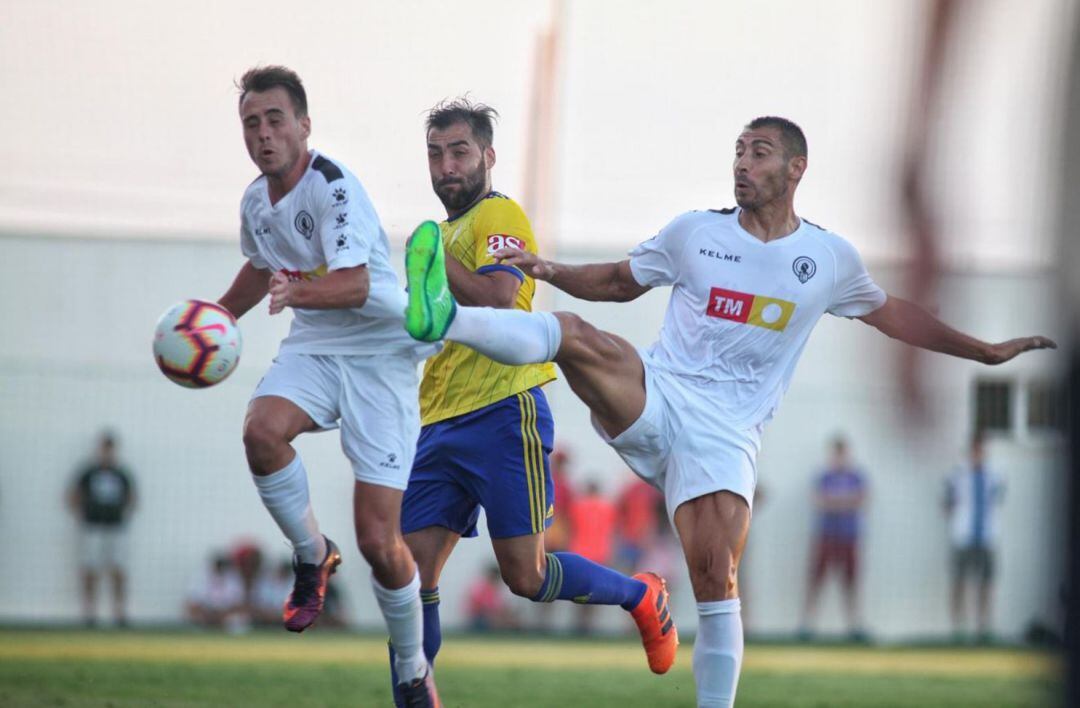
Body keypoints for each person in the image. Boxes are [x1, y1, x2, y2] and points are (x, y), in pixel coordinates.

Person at [401, 115, 1056, 707]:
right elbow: (619, 282)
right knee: (573, 331)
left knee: (716, 578)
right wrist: (545, 267)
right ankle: (449, 318)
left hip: (725, 434)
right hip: (658, 393)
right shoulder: (696, 232)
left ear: (795, 168)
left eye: (759, 153)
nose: (742, 163)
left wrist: (985, 351)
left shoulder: (828, 259)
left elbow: (896, 315)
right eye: (739, 152)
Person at [389, 99, 677, 697]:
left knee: (527, 575)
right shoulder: (437, 235)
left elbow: (498, 301)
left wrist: (437, 267)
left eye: (459, 151)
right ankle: (418, 694)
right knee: (408, 580)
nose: (446, 166)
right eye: (435, 154)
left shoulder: (501, 217)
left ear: (488, 157)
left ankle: (641, 594)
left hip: (502, 411)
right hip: (438, 422)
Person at [214, 65, 439, 705]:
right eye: (251, 123)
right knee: (261, 433)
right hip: (316, 344)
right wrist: (214, 320)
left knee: (380, 540)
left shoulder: (333, 186)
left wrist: (297, 289)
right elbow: (261, 269)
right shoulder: (255, 202)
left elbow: (358, 284)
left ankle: (411, 667)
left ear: (304, 126)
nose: (263, 134)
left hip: (380, 352)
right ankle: (312, 554)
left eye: (275, 120)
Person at [798, 436, 868, 641]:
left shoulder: (857, 476)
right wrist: (844, 502)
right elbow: (820, 501)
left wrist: (835, 501)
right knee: (816, 580)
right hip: (826, 536)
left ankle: (855, 625)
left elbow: (861, 499)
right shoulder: (824, 477)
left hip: (848, 536)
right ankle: (807, 624)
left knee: (851, 582)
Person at [68, 430, 136, 627]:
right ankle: (90, 612)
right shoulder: (89, 472)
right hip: (93, 527)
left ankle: (119, 611)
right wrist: (81, 514)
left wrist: (123, 513)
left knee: (118, 569)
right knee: (91, 569)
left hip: (115, 527)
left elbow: (132, 496)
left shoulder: (121, 473)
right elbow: (74, 494)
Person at [945, 432, 1005, 643]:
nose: (977, 454)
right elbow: (947, 503)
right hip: (962, 536)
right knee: (959, 581)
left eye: (981, 451)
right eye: (974, 451)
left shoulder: (994, 475)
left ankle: (983, 627)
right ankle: (957, 628)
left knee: (986, 582)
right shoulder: (957, 475)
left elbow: (999, 500)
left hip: (987, 536)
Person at [185, 553, 246, 630]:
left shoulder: (233, 578)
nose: (220, 569)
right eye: (219, 566)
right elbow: (193, 601)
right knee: (195, 615)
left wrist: (222, 614)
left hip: (226, 615)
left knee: (238, 619)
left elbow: (239, 603)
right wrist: (208, 615)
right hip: (206, 613)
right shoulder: (201, 577)